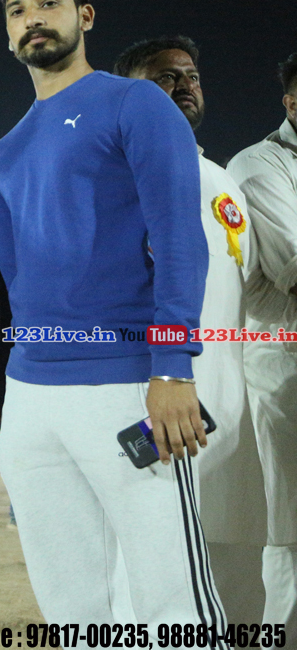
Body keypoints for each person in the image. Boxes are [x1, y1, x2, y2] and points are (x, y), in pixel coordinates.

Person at [0, 0, 226, 633]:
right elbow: (13, 288)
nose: (33, 19)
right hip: (33, 398)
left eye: (49, 3)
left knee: (173, 603)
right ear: (8, 33)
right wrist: (4, 402)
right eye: (18, 10)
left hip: (125, 385)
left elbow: (180, 240)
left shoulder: (135, 103)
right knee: (74, 609)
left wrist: (172, 368)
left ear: (84, 15)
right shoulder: (6, 149)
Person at [115, 35, 268, 623]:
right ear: (129, 95)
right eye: (164, 78)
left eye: (192, 77)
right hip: (157, 397)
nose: (184, 86)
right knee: (150, 561)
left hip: (231, 404)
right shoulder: (117, 175)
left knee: (234, 556)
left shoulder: (222, 180)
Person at [227, 51, 297, 635]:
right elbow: (293, 267)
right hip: (285, 364)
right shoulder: (257, 166)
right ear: (292, 102)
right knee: (291, 528)